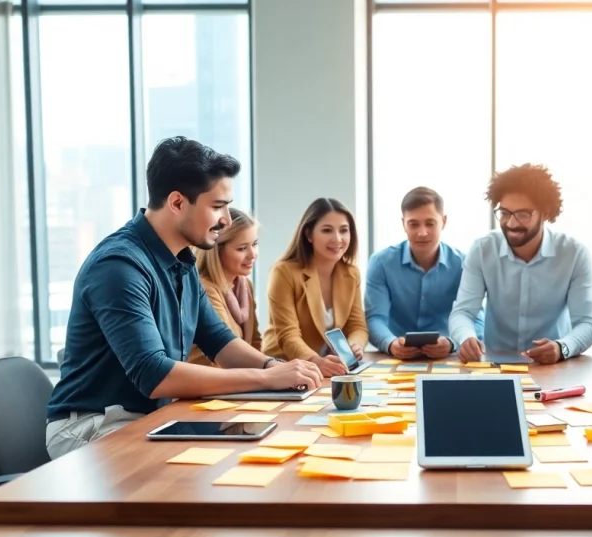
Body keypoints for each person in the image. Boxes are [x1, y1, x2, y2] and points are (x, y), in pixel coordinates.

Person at [46, 137, 321, 459]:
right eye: (218, 207)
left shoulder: (181, 259)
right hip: (93, 425)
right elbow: (154, 374)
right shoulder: (119, 266)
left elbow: (218, 340)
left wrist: (275, 367)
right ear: (177, 203)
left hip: (151, 416)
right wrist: (266, 377)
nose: (227, 221)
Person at [449, 163, 592, 364]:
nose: (511, 224)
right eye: (504, 213)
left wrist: (561, 347)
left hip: (553, 367)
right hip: (496, 365)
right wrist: (466, 337)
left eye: (523, 214)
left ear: (545, 213)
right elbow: (463, 312)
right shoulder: (482, 249)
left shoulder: (573, 253)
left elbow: (587, 323)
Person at [365, 187, 483, 360]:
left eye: (430, 223)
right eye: (413, 224)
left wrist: (452, 343)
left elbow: (477, 318)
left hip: (448, 357)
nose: (422, 232)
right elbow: (375, 317)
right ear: (403, 223)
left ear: (443, 221)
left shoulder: (464, 263)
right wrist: (390, 343)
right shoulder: (381, 263)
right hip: (395, 358)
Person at [261, 198, 369, 377]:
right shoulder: (284, 272)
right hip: (284, 367)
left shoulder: (351, 273)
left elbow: (358, 326)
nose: (337, 239)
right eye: (327, 230)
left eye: (344, 230)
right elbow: (288, 335)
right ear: (309, 234)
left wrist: (354, 345)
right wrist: (316, 362)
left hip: (329, 369)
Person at [187, 208, 262, 365]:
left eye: (254, 244)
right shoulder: (205, 289)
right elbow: (226, 347)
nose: (252, 254)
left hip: (240, 379)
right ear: (217, 251)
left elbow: (255, 342)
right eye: (242, 248)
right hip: (211, 382)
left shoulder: (244, 285)